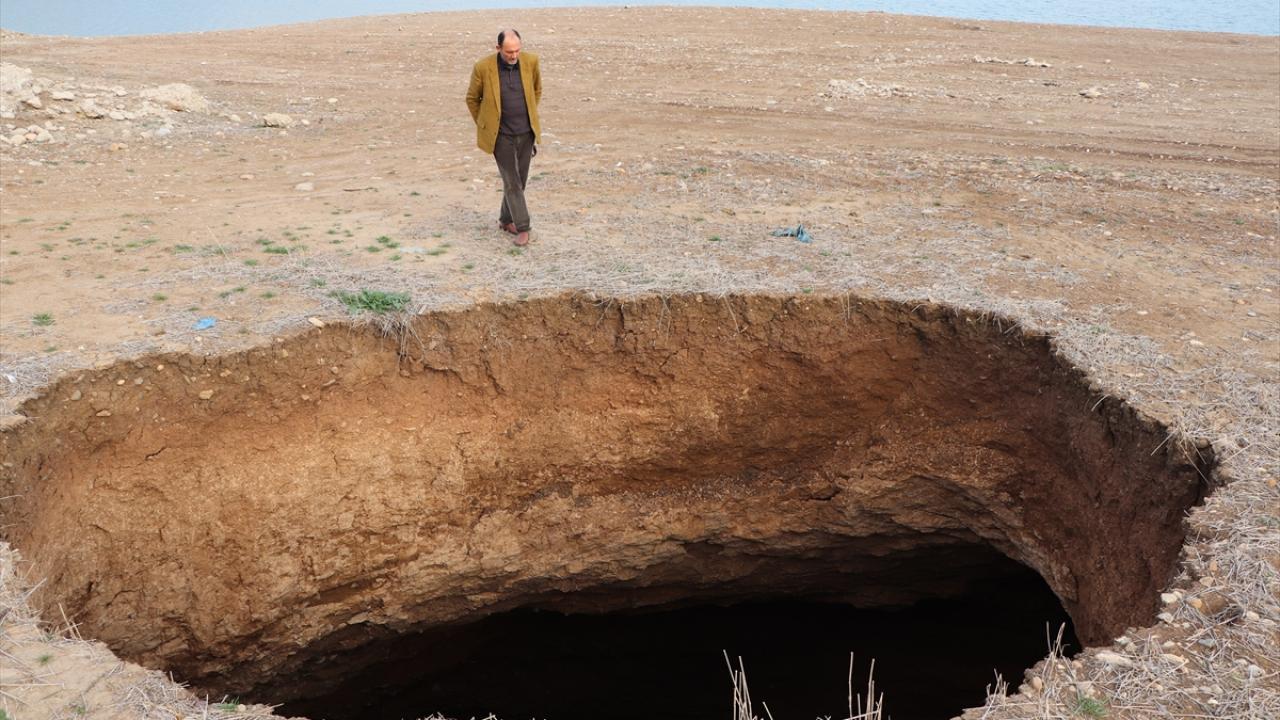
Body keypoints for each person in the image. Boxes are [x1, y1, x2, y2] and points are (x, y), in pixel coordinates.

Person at [465, 28, 542, 247]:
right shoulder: (483, 67)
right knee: (512, 182)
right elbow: (472, 99)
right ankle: (523, 227)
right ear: (498, 48)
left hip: (526, 133)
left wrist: (527, 115)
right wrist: (486, 124)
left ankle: (505, 219)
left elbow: (537, 91)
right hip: (501, 136)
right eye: (509, 52)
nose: (514, 55)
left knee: (520, 180)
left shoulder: (531, 61)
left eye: (517, 50)